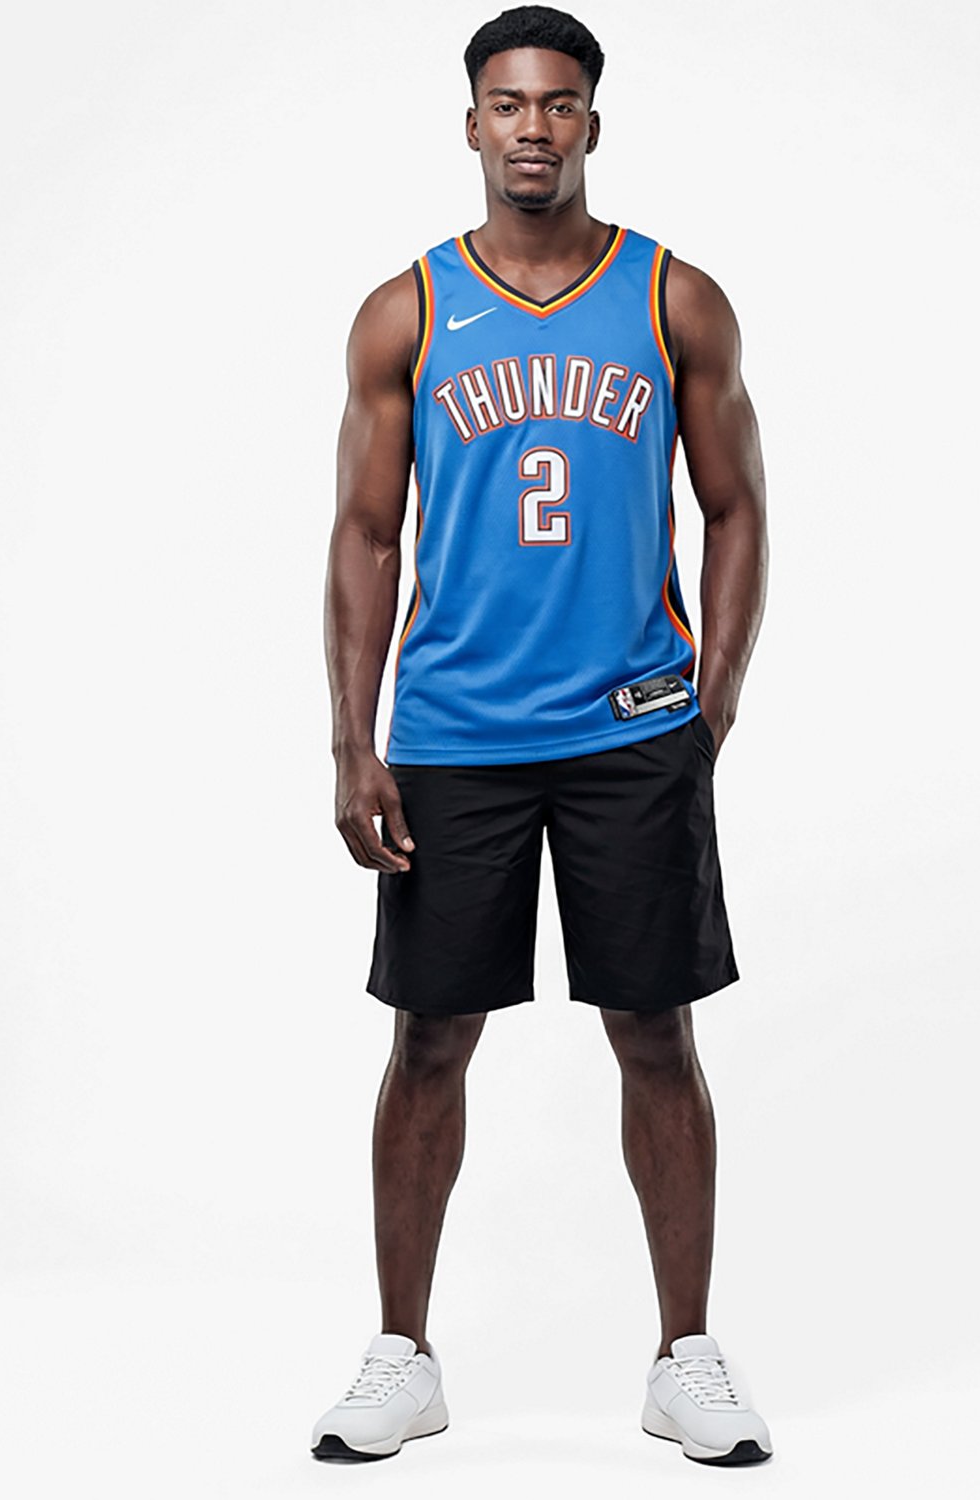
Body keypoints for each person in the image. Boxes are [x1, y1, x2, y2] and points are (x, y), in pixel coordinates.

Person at [316, 4, 770, 1466]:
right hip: (453, 732)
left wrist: (711, 706)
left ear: (591, 124)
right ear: (472, 124)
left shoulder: (674, 299)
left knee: (657, 1031)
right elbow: (365, 534)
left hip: (631, 728)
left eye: (558, 104)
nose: (533, 127)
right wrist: (353, 741)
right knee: (428, 1038)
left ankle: (684, 1356)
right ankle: (404, 1355)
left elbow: (737, 509)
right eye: (508, 104)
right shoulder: (407, 312)